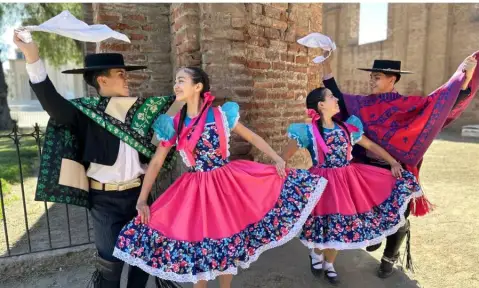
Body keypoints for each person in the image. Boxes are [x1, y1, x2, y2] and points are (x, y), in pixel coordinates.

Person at [112, 67, 327, 286]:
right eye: (176, 81)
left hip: (226, 184)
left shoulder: (220, 115)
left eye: (181, 80)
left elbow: (251, 136)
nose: (176, 85)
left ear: (197, 86)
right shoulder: (174, 123)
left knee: (228, 241)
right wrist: (142, 199)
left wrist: (277, 158)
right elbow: (157, 162)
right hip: (196, 189)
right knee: (201, 246)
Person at [12, 31, 175, 288]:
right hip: (105, 201)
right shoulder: (88, 114)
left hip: (139, 195)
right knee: (110, 268)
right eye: (120, 74)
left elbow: (176, 110)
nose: (126, 79)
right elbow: (53, 105)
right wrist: (33, 57)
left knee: (143, 262)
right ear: (102, 80)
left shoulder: (140, 111)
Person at [319, 49, 479, 278]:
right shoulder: (360, 104)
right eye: (371, 76)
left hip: (398, 169)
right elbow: (336, 97)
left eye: (377, 77)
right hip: (366, 167)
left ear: (392, 79)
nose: (372, 80)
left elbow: (443, 101)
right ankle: (375, 236)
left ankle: (390, 256)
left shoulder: (408, 105)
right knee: (363, 208)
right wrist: (326, 66)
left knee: (399, 214)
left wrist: (464, 76)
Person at [283, 88, 422, 284]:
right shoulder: (307, 132)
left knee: (341, 227)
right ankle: (316, 254)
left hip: (347, 182)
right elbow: (284, 159)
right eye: (331, 96)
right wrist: (282, 175)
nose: (336, 99)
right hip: (322, 185)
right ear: (321, 105)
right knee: (323, 226)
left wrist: (392, 162)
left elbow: (371, 146)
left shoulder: (348, 129)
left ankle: (329, 264)